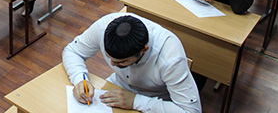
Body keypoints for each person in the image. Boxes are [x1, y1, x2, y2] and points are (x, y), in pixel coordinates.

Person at [62, 13, 201, 112]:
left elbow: (191, 111)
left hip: (155, 100)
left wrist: (135, 101)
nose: (112, 64)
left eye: (121, 62)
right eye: (109, 58)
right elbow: (72, 51)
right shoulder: (104, 27)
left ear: (144, 50)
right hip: (117, 87)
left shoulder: (170, 57)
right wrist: (80, 78)